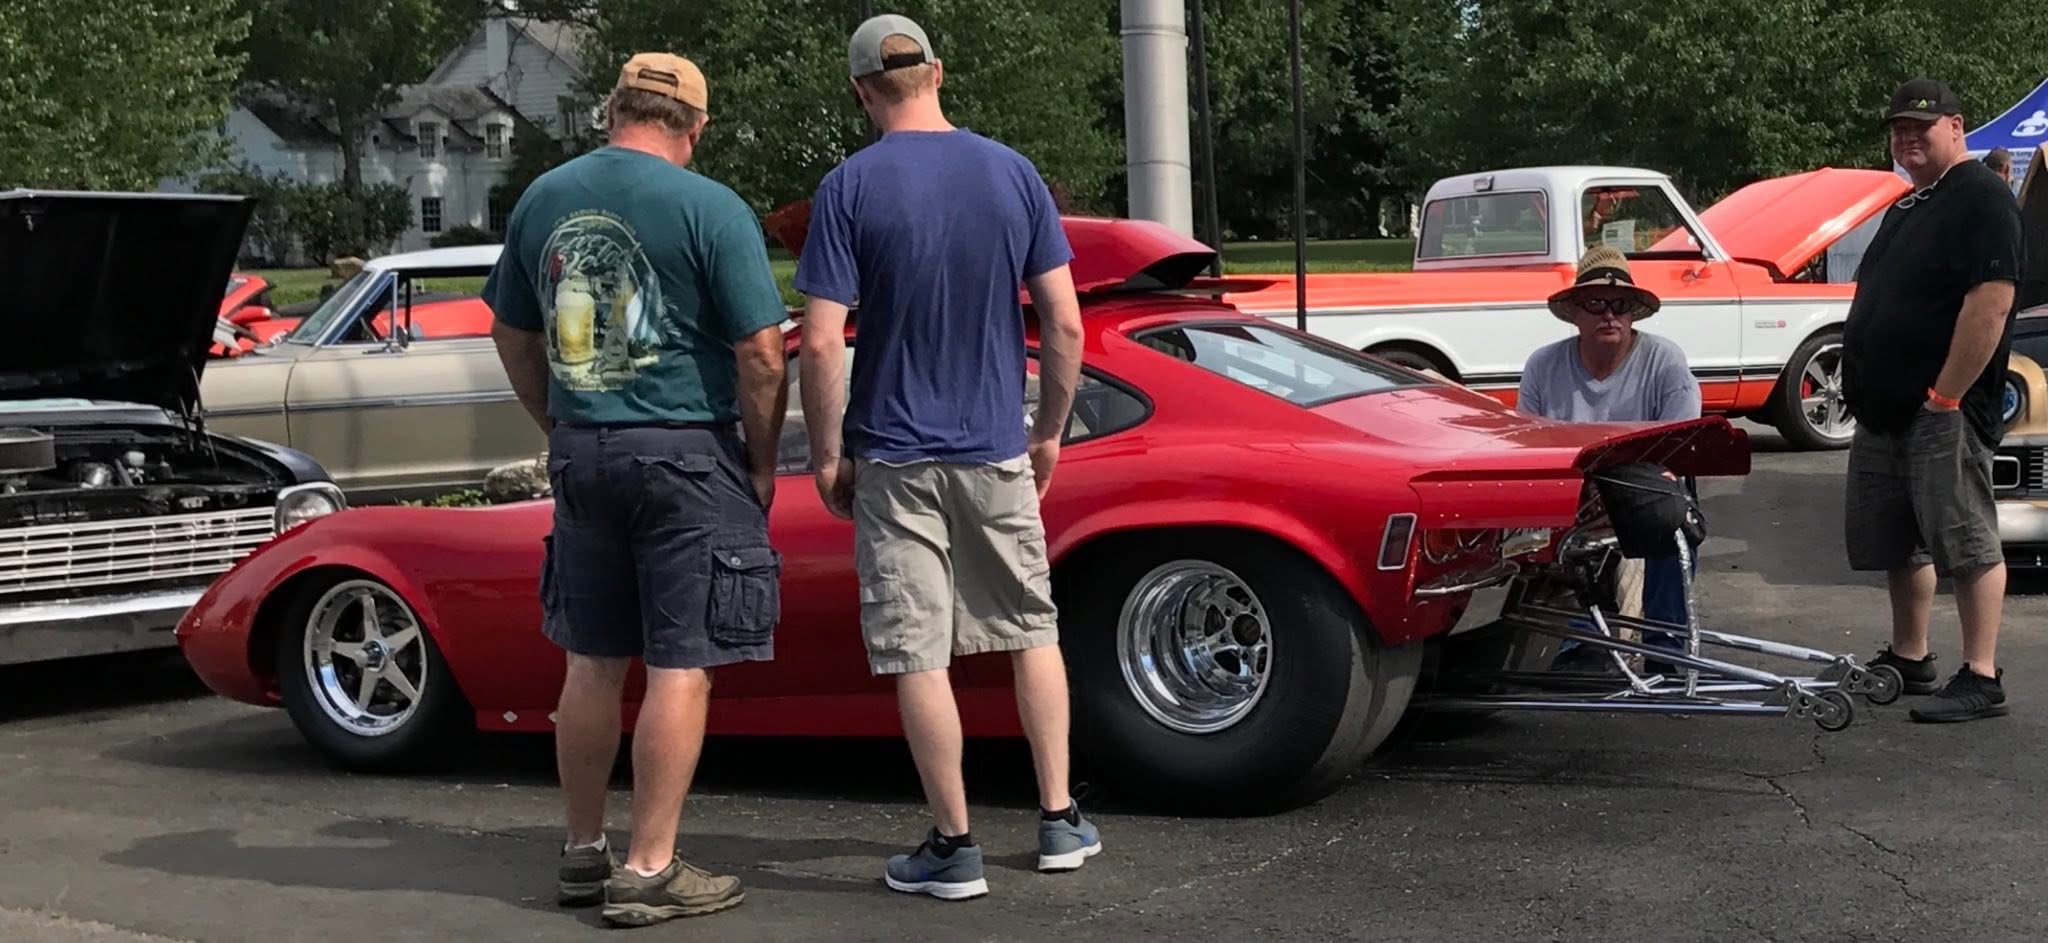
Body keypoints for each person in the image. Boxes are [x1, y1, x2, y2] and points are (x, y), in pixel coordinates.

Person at [792, 13, 1101, 901]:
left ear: (862, 92)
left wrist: (826, 454)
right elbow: (1065, 324)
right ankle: (1057, 819)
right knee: (1030, 627)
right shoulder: (1012, 173)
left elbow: (821, 341)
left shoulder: (848, 187)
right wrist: (1048, 430)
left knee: (917, 648)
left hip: (894, 457)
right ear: (939, 72)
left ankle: (954, 844)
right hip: (994, 445)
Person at [483, 52, 791, 925]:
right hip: (686, 451)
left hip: (584, 448)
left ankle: (585, 850)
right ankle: (651, 867)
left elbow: (509, 330)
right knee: (679, 663)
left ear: (614, 109)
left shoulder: (544, 198)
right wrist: (762, 461)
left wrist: (557, 420)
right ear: (695, 126)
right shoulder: (710, 207)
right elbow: (763, 353)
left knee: (590, 659)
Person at [1841, 78, 2023, 723]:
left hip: (1944, 409)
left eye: (1921, 126)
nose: (1907, 138)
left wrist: (1947, 394)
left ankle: (1981, 674)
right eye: (1898, 129)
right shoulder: (1911, 203)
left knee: (1966, 541)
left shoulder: (1982, 197)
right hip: (1887, 409)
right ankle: (1910, 655)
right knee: (1899, 542)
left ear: (1956, 126)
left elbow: (1991, 302)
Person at [1518, 245, 1702, 668]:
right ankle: (1577, 644)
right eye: (1596, 304)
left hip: (1644, 490)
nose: (1609, 315)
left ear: (1633, 313)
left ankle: (1666, 652)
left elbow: (1678, 450)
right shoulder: (1542, 365)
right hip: (1569, 494)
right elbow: (1529, 448)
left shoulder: (1665, 360)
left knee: (1671, 522)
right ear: (1574, 313)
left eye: (1620, 305)